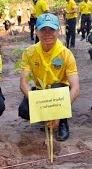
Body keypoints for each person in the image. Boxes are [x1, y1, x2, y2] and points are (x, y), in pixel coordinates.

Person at [18, 13, 80, 141]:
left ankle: (63, 121)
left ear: (58, 31)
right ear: (36, 31)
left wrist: (59, 111)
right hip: (41, 90)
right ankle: (45, 118)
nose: (48, 33)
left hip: (59, 92)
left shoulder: (66, 54)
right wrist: (38, 105)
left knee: (57, 87)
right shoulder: (29, 53)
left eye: (52, 29)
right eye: (43, 29)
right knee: (24, 110)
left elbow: (75, 88)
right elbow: (23, 83)